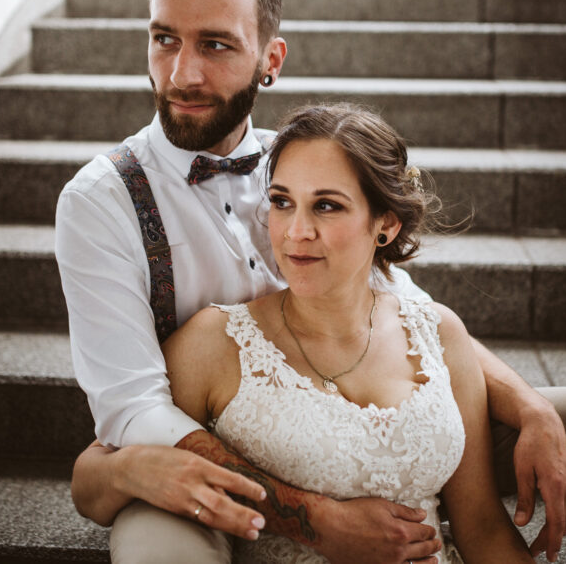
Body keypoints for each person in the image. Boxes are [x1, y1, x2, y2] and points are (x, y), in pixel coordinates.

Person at [56, 0, 566, 564]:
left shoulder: (307, 162)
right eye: (164, 38)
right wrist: (314, 517)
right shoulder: (103, 198)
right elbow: (133, 410)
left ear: (270, 59)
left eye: (216, 45)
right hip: (195, 448)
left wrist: (529, 406)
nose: (181, 73)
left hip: (342, 405)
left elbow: (408, 314)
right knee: (161, 546)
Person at [162, 102, 535, 563]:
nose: (296, 232)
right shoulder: (215, 343)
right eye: (281, 202)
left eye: (326, 206)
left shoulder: (438, 332)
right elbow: (106, 470)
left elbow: (481, 526)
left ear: (386, 224)